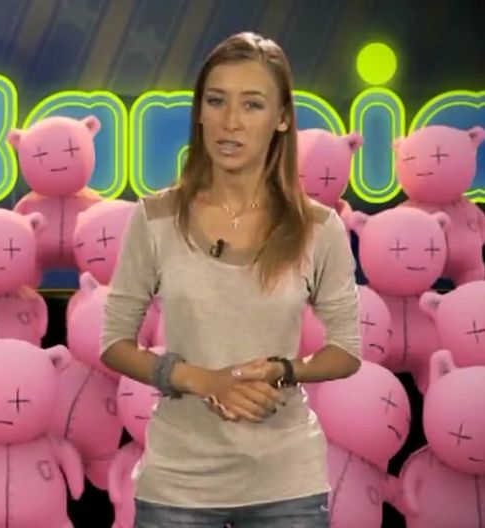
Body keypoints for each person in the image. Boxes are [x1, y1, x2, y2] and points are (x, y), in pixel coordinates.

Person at [100, 32, 361, 527]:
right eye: (216, 101)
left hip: (286, 482)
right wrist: (205, 380)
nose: (231, 122)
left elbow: (347, 351)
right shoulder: (156, 218)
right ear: (199, 112)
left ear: (282, 118)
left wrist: (283, 370)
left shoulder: (318, 228)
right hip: (178, 482)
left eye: (252, 105)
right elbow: (114, 343)